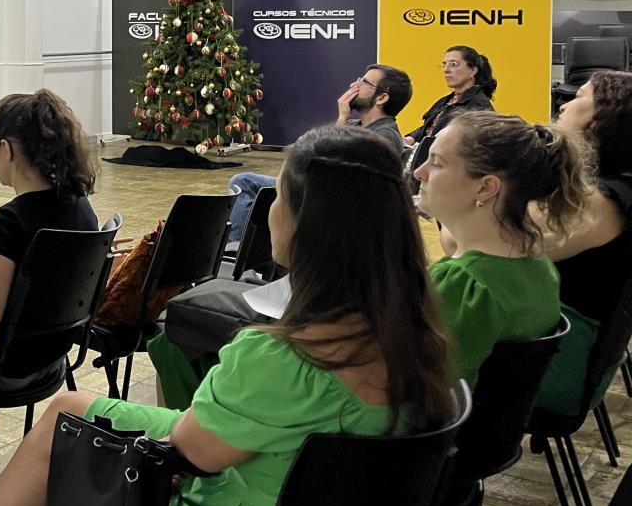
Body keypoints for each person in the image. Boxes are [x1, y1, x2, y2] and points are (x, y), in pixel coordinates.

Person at [0, 125, 454, 506]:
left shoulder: (285, 359)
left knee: (71, 464)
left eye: (281, 197)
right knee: (70, 411)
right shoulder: (415, 334)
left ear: (311, 224)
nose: (270, 209)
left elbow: (192, 451)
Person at [414, 111, 587, 387]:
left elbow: (415, 386)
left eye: (436, 163)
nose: (419, 172)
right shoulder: (537, 264)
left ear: (485, 188)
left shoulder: (463, 285)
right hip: (491, 425)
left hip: (446, 423)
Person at [0, 89, 99, 365]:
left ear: (6, 148)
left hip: (9, 367)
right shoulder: (80, 206)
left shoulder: (9, 222)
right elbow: (43, 270)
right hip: (54, 358)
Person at [224, 63, 412, 242]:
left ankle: (238, 251)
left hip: (326, 201)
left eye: (363, 82)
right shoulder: (359, 126)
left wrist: (342, 119)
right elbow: (297, 149)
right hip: (315, 189)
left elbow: (332, 169)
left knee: (246, 183)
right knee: (245, 181)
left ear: (381, 98)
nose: (353, 85)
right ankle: (242, 250)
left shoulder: (383, 137)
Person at [535, 71, 632, 413]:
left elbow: (501, 252)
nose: (564, 104)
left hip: (558, 357)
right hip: (561, 339)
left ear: (602, 118)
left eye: (579, 96)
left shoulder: (605, 200)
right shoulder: (611, 190)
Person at [404, 45, 496, 187]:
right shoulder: (446, 100)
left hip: (448, 175)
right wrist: (411, 138)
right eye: (444, 65)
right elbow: (429, 127)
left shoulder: (479, 106)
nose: (446, 70)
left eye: (454, 64)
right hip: (428, 167)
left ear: (473, 70)